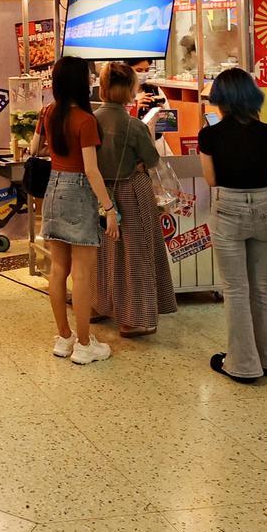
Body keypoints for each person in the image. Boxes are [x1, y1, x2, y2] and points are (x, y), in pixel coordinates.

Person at [26, 57, 119, 365]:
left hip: (53, 189)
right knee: (81, 274)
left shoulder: (48, 112)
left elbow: (33, 149)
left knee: (57, 269)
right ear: (81, 82)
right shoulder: (85, 120)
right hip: (78, 192)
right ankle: (84, 344)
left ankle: (64, 337)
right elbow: (91, 170)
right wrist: (109, 208)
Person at [198, 68, 267, 383]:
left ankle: (243, 365)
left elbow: (211, 179)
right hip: (264, 207)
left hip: (228, 207)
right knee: (261, 286)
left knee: (235, 289)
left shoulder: (210, 135)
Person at [93, 62, 170, 336]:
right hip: (131, 191)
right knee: (136, 253)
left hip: (99, 193)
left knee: (102, 253)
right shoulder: (133, 125)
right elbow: (152, 158)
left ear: (102, 88)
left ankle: (99, 304)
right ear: (129, 89)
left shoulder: (92, 120)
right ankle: (132, 318)